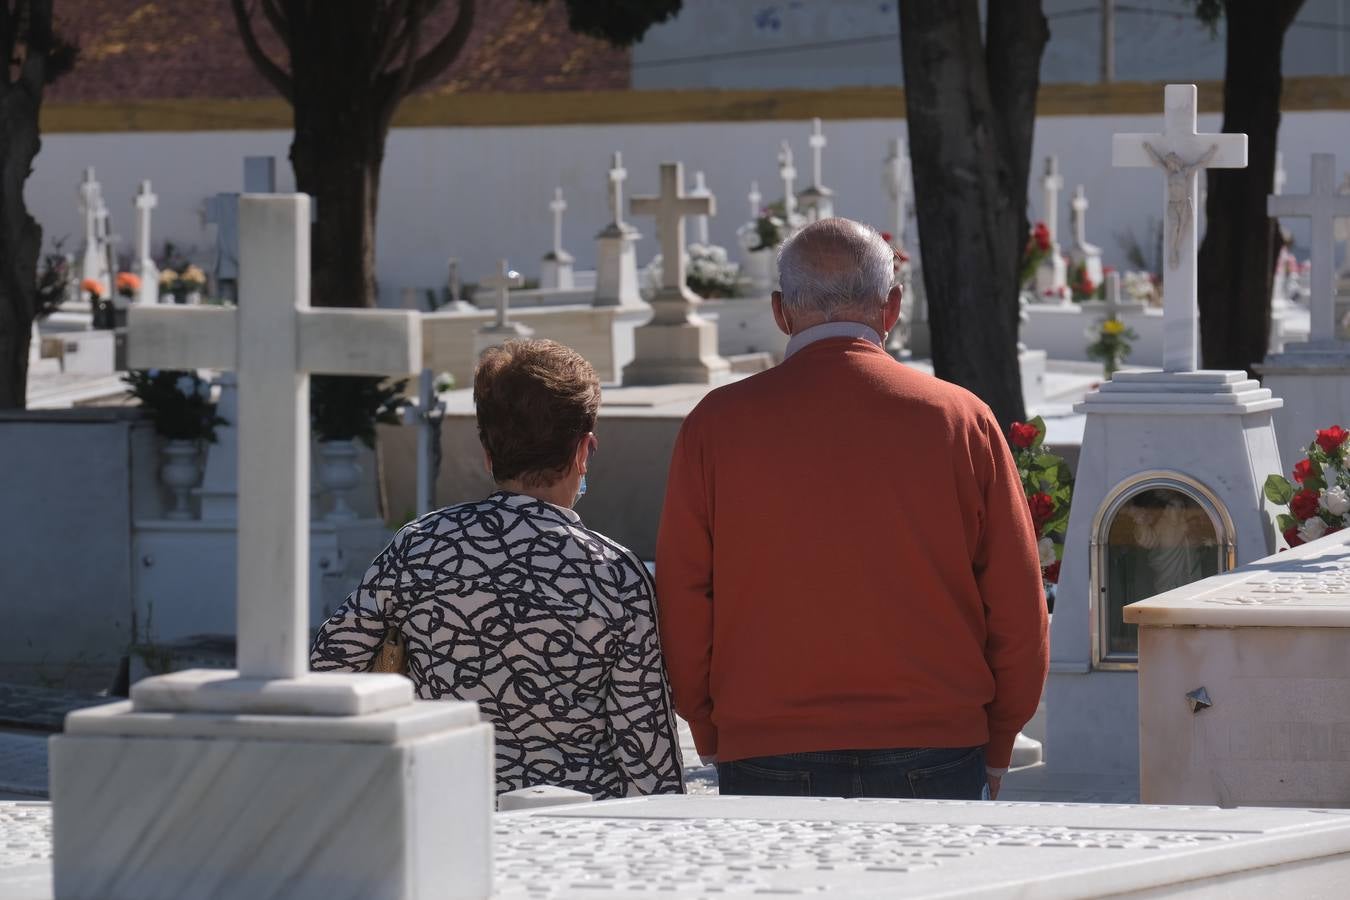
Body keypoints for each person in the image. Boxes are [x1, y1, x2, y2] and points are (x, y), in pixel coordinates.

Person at [656, 218, 1048, 801]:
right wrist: (999, 737)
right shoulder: (961, 419)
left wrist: (710, 727)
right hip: (936, 741)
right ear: (890, 308)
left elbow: (685, 596)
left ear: (780, 311)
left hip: (767, 744)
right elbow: (1018, 600)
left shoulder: (716, 425)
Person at [312, 339, 684, 800]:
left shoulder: (420, 547)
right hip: (578, 828)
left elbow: (332, 665)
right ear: (583, 451)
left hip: (445, 805)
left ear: (488, 452)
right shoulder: (615, 576)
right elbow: (646, 747)